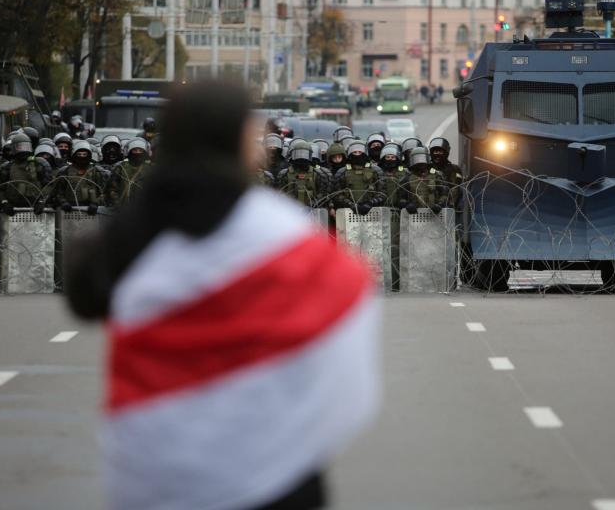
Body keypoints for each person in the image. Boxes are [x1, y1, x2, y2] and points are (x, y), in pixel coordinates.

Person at [63, 80, 379, 510]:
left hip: (164, 469)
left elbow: (85, 295)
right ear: (238, 143)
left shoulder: (138, 225)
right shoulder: (276, 227)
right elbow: (344, 297)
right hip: (274, 467)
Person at [0, 132, 52, 215]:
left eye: (25, 146)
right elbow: (0, 189)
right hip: (14, 209)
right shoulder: (7, 167)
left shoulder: (39, 164)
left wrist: (42, 202)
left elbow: (48, 186)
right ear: (14, 148)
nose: (23, 149)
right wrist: (5, 203)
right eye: (19, 147)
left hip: (35, 208)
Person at [53, 140, 105, 214]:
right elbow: (58, 192)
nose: (82, 157)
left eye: (84, 154)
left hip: (91, 210)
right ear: (74, 155)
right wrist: (63, 202)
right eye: (79, 154)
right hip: (71, 209)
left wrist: (96, 203)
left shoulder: (96, 171)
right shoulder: (65, 171)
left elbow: (104, 191)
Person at [332, 141, 383, 215]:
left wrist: (370, 203)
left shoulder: (376, 170)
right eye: (354, 152)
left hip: (372, 211)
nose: (357, 155)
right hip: (348, 212)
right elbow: (337, 193)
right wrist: (350, 204)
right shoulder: (342, 171)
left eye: (360, 152)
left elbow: (383, 192)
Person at [396, 146, 449, 214]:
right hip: (414, 216)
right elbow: (400, 197)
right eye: (417, 159)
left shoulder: (436, 175)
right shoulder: (407, 178)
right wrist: (407, 205)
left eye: (422, 158)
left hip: (434, 214)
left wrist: (440, 204)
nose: (420, 161)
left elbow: (445, 193)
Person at [276, 140, 328, 207]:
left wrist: (314, 202)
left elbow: (322, 193)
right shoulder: (285, 174)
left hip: (311, 210)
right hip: (290, 211)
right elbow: (279, 193)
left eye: (304, 154)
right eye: (298, 154)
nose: (301, 157)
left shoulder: (317, 174)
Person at [106, 138, 151, 206]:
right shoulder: (120, 167)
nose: (138, 152)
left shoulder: (150, 168)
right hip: (123, 208)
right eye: (135, 150)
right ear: (129, 151)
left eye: (140, 150)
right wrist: (117, 203)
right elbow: (112, 188)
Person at [376, 142, 406, 207]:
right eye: (387, 157)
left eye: (393, 157)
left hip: (400, 206)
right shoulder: (378, 172)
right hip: (382, 205)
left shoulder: (405, 172)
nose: (390, 159)